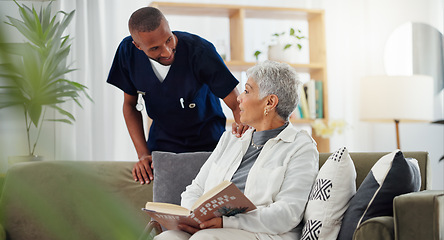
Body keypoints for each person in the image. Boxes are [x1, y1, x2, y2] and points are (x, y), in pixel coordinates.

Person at [154, 60, 319, 240]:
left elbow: (287, 213)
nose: (238, 97)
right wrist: (196, 218)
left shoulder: (300, 147)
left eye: (247, 91)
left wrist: (226, 223)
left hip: (264, 234)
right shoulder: (231, 138)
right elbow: (196, 188)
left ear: (270, 102)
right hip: (213, 228)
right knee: (167, 238)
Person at [107, 7, 248, 185]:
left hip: (209, 143)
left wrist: (243, 152)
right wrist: (143, 154)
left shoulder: (200, 51)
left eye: (169, 39)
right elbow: (129, 105)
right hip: (163, 147)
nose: (166, 52)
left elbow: (237, 105)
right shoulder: (127, 53)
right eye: (155, 48)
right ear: (138, 46)